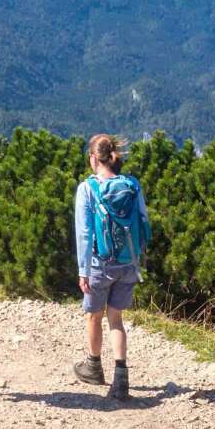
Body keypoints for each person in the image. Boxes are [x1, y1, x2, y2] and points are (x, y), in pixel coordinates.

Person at [73, 133, 150, 401]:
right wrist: (137, 255)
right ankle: (121, 377)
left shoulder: (88, 188)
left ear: (93, 158)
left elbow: (84, 233)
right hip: (128, 263)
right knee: (116, 319)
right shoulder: (132, 184)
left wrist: (83, 269)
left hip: (99, 264)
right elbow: (143, 219)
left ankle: (93, 366)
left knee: (94, 316)